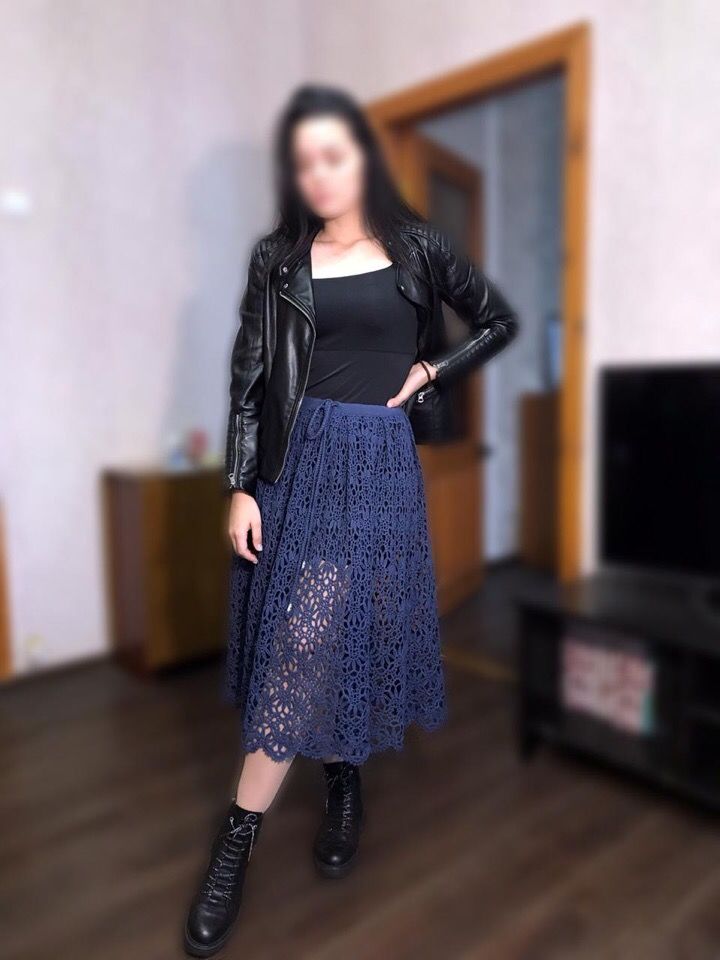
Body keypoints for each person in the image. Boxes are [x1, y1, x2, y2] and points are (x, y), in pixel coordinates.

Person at [183, 84, 518, 957]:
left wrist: (433, 372)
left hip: (377, 466)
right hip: (297, 465)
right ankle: (237, 840)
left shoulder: (419, 246)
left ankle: (340, 784)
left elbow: (496, 321)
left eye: (334, 155)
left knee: (345, 632)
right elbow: (251, 375)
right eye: (305, 163)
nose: (320, 175)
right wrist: (241, 484)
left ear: (363, 156)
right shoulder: (278, 258)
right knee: (300, 643)